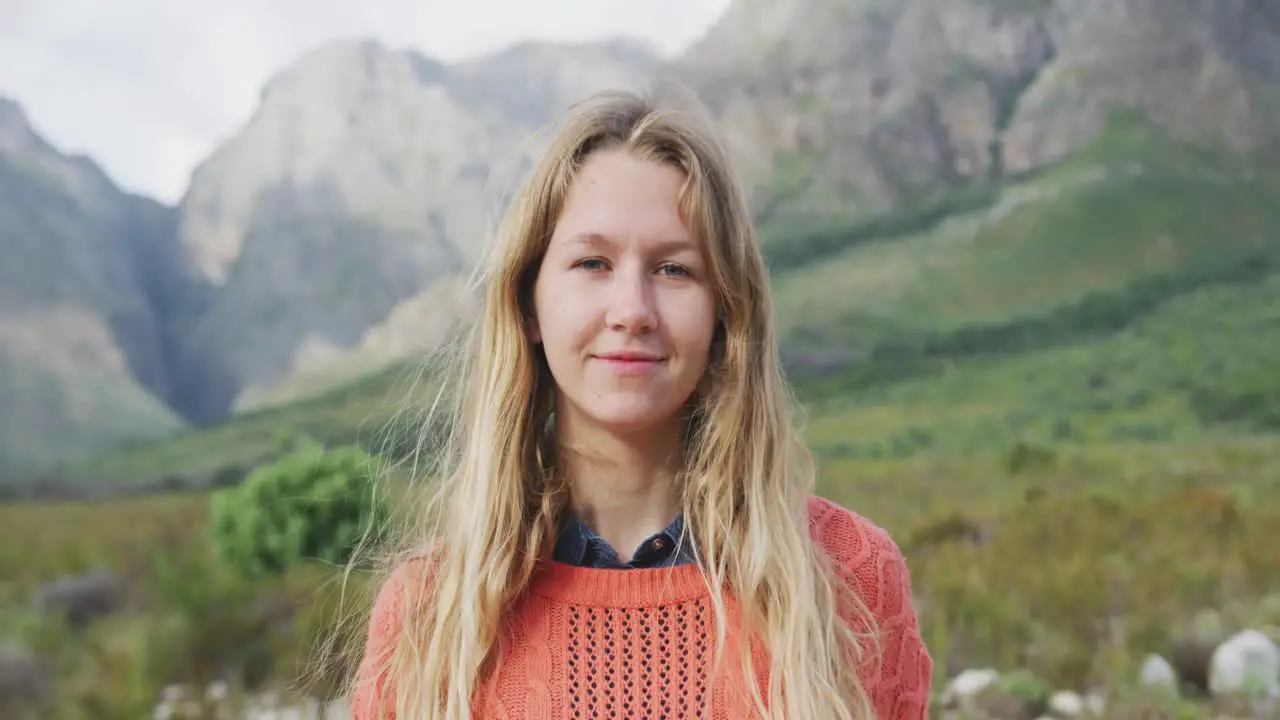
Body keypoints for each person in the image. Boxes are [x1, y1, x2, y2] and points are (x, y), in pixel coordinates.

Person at [346, 87, 933, 719]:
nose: (631, 311)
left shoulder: (850, 576)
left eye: (674, 270)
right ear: (529, 304)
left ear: (724, 314)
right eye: (593, 262)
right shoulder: (432, 615)